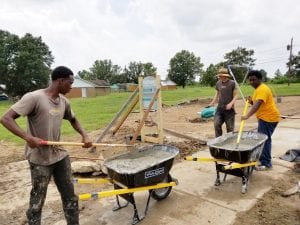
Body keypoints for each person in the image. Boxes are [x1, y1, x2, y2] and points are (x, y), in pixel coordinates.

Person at [0, 66, 92, 225]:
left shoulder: (64, 101)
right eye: (70, 83)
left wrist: (84, 135)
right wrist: (28, 137)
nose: (71, 87)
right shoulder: (34, 98)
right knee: (37, 202)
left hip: (60, 156)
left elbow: (73, 119)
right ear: (60, 81)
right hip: (39, 159)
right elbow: (6, 118)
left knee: (70, 197)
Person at [241, 70, 280, 170]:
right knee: (263, 140)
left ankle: (266, 163)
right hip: (265, 118)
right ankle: (264, 160)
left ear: (260, 79)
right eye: (250, 80)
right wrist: (250, 101)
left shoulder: (262, 89)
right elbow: (255, 103)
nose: (251, 82)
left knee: (265, 141)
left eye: (254, 80)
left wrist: (247, 116)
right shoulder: (258, 89)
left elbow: (257, 105)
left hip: (268, 118)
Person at [209, 67, 238, 137]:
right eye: (219, 76)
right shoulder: (218, 83)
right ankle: (218, 142)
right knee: (216, 124)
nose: (220, 77)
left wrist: (231, 104)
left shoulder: (232, 83)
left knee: (230, 129)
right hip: (220, 108)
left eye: (221, 76)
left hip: (229, 110)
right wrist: (212, 102)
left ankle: (229, 144)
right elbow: (217, 93)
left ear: (225, 76)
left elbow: (236, 95)